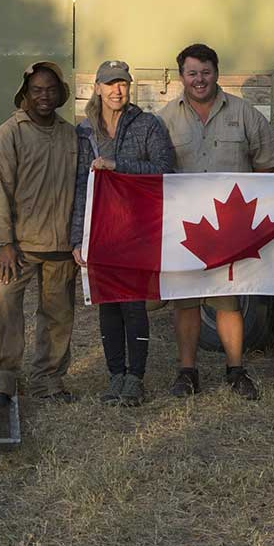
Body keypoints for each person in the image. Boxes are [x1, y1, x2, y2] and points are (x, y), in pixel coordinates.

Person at [156, 42, 274, 399]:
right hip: (184, 230)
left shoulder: (245, 114)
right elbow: (151, 172)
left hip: (229, 229)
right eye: (192, 73)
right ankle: (187, 372)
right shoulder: (165, 119)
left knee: (228, 301)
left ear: (217, 72)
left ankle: (235, 370)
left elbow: (267, 164)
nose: (200, 80)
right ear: (181, 76)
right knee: (185, 301)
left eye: (206, 72)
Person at [0, 61, 88, 408]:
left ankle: (49, 381)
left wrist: (77, 240)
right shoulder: (8, 134)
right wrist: (5, 243)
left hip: (59, 246)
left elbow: (83, 188)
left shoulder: (70, 134)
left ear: (60, 95)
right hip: (20, 248)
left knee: (58, 319)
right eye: (37, 90)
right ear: (25, 94)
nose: (44, 96)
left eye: (51, 90)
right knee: (6, 314)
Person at [75, 59, 178, 407]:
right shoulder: (85, 131)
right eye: (110, 83)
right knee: (108, 306)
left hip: (137, 230)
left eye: (123, 83)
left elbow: (164, 170)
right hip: (100, 230)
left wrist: (120, 167)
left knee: (134, 306)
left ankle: (136, 377)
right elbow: (78, 187)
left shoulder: (148, 125)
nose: (117, 90)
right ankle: (115, 374)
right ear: (98, 88)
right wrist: (78, 238)